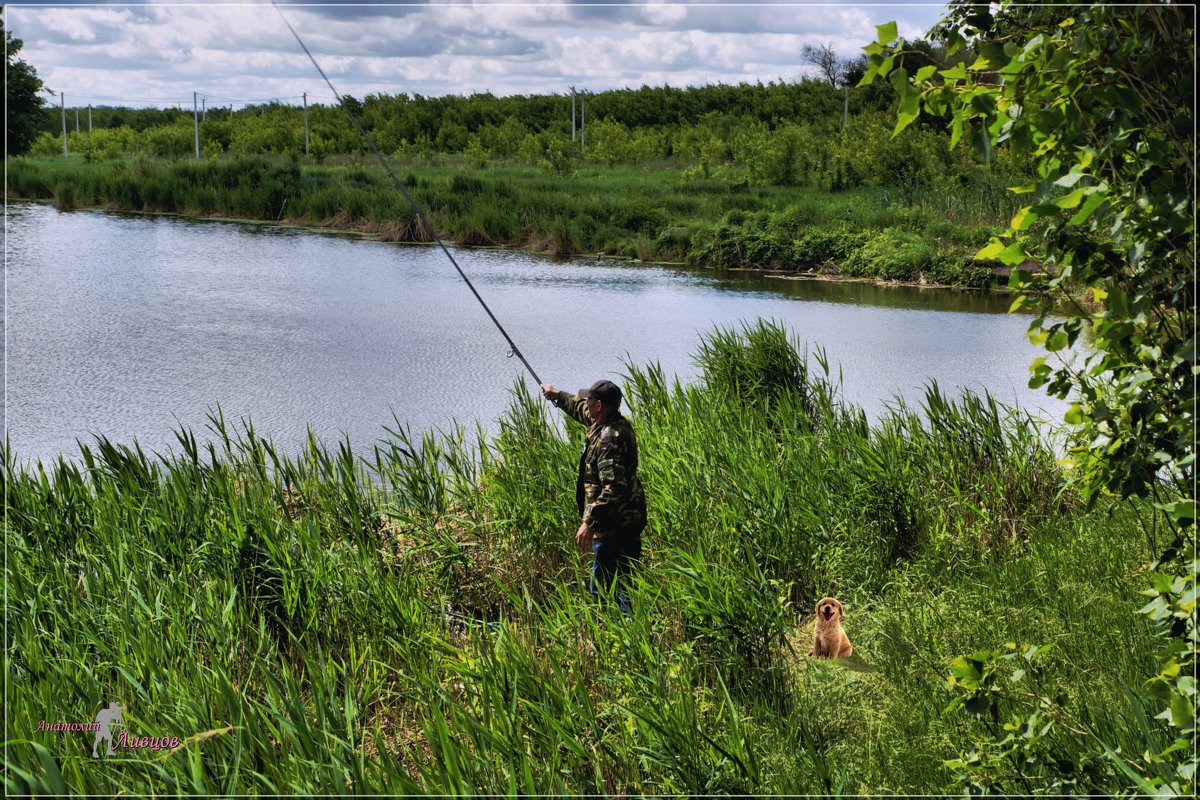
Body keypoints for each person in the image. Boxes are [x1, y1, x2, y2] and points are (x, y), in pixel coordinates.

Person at [540, 379, 646, 611]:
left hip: (614, 526)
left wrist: (589, 522)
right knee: (626, 583)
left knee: (605, 588)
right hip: (628, 520)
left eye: (589, 399)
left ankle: (611, 632)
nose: (585, 403)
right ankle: (627, 631)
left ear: (599, 405)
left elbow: (614, 488)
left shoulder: (609, 440)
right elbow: (580, 410)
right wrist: (557, 395)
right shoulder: (611, 422)